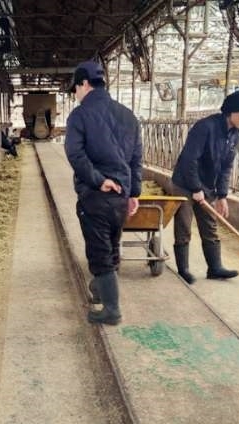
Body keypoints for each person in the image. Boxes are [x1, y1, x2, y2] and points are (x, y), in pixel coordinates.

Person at [64, 60, 142, 325]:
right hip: (121, 196)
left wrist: (98, 181)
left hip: (96, 195)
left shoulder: (80, 115)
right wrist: (134, 193)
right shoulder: (128, 115)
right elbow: (135, 159)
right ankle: (101, 288)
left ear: (84, 83)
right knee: (111, 246)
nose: (75, 94)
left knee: (99, 254)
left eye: (75, 88)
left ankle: (111, 310)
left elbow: (75, 154)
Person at [166, 90, 239, 283]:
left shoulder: (235, 134)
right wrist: (195, 189)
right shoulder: (205, 127)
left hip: (206, 185)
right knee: (184, 225)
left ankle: (215, 267)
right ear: (233, 111)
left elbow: (226, 167)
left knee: (210, 224)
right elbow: (189, 160)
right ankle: (184, 270)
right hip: (184, 183)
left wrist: (222, 195)